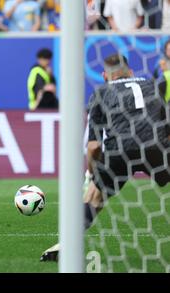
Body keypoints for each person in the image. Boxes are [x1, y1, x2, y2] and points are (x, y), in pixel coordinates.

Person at [40, 53, 170, 261]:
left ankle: (66, 244)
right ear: (131, 71)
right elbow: (166, 129)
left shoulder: (101, 93)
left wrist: (93, 174)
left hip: (119, 150)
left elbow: (93, 146)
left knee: (94, 196)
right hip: (154, 146)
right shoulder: (152, 86)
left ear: (104, 75)